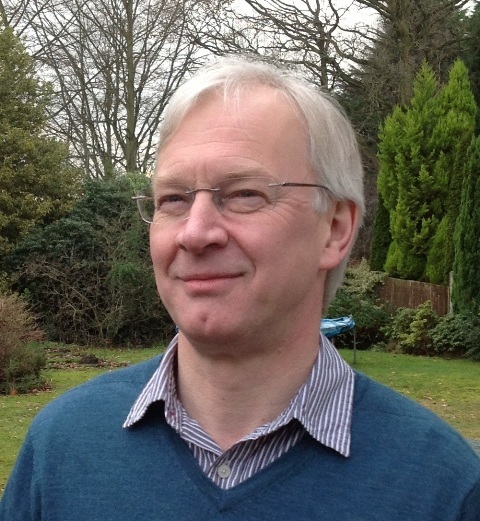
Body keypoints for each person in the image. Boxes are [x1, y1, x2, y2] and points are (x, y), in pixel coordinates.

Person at [1, 57, 479, 521]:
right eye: (173, 199)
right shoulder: (61, 449)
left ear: (335, 229)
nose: (195, 232)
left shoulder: (442, 488)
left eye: (245, 194)